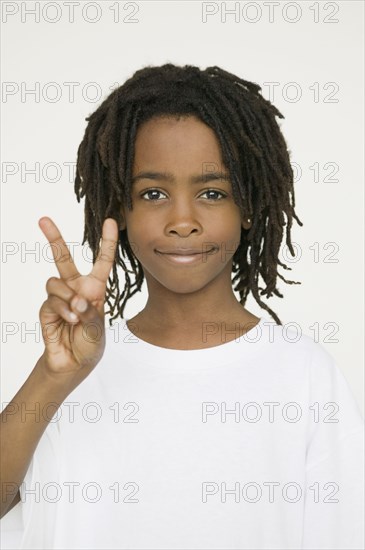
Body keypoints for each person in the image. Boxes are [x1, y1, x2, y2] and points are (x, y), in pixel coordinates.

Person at [0, 63, 363, 549]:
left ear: (249, 206)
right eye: (153, 193)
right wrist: (54, 375)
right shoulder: (71, 372)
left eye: (212, 192)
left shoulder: (304, 374)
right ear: (120, 209)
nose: (182, 220)